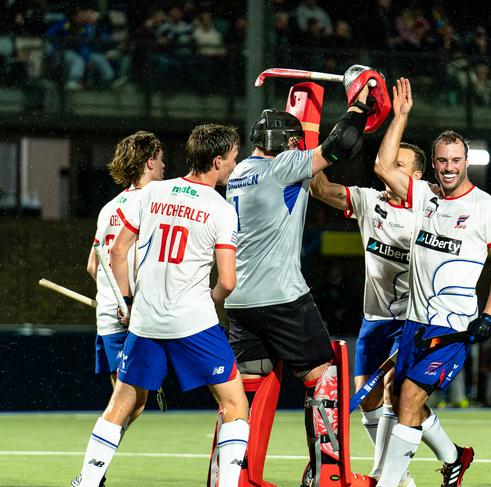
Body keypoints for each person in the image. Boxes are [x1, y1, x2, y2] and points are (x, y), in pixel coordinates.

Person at [71, 124, 249, 487]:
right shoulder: (220, 207)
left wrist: (129, 303)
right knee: (234, 405)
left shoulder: (151, 194)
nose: (235, 164)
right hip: (194, 322)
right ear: (216, 161)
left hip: (145, 322)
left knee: (120, 406)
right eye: (232, 158)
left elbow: (116, 252)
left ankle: (86, 481)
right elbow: (227, 282)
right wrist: (211, 303)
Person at [224, 83, 372, 484]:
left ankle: (234, 475)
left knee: (246, 396)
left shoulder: (238, 174)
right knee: (324, 377)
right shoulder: (281, 167)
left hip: (239, 302)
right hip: (282, 298)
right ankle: (326, 476)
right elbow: (341, 144)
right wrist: (359, 104)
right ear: (285, 143)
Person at [373, 78, 491, 487]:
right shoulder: (423, 196)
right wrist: (399, 117)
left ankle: (387, 484)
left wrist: (488, 316)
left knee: (410, 401)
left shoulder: (486, 206)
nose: (449, 168)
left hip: (452, 327)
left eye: (456, 160)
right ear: (433, 164)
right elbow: (383, 166)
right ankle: (454, 459)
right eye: (442, 161)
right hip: (414, 323)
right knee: (401, 399)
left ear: (465, 160)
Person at [310, 137, 426, 484]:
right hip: (375, 318)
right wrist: (314, 144)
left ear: (417, 177)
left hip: (414, 318)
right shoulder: (368, 199)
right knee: (368, 397)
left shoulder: (431, 213)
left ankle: (386, 473)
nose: (389, 169)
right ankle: (406, 472)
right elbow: (320, 188)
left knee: (394, 389)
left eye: (400, 165)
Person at [86, 130, 164, 426]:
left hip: (109, 315)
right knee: (130, 403)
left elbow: (93, 265)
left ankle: (96, 467)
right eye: (160, 159)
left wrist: (107, 296)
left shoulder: (110, 207)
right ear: (148, 162)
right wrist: (126, 302)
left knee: (130, 402)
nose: (164, 166)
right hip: (129, 315)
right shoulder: (153, 203)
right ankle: (93, 467)